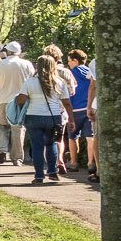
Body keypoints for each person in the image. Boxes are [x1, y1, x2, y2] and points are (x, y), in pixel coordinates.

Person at [14, 53, 74, 184]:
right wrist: (71, 119)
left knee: (37, 147)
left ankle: (39, 175)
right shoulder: (60, 82)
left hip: (34, 116)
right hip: (53, 117)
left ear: (38, 66)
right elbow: (67, 103)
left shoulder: (29, 82)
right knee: (51, 144)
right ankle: (52, 172)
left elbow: (21, 100)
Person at [0, 41, 35, 165]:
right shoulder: (27, 64)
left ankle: (2, 150)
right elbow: (32, 80)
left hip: (2, 99)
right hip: (20, 100)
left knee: (0, 126)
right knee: (18, 128)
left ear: (7, 52)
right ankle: (17, 158)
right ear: (19, 52)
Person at [67, 49, 96, 174]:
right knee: (91, 137)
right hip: (89, 107)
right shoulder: (90, 71)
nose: (68, 63)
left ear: (75, 60)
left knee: (72, 137)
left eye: (69, 61)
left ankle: (74, 163)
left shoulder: (71, 73)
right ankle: (91, 163)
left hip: (75, 109)